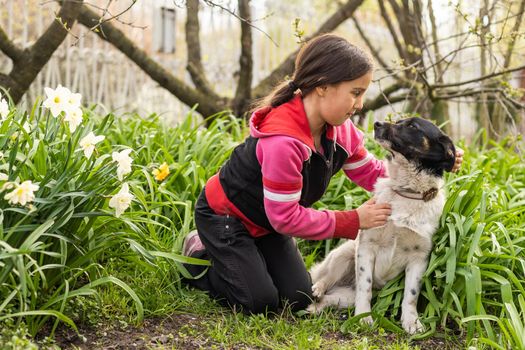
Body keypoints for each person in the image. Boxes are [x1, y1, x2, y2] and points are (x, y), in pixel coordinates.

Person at [182, 33, 464, 315]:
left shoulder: (340, 130)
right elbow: (285, 217)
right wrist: (350, 221)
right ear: (322, 87)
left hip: (268, 223)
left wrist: (431, 161)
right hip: (227, 218)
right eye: (356, 92)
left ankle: (251, 259)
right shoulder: (284, 142)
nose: (361, 103)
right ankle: (197, 255)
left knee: (299, 297)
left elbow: (370, 172)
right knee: (259, 301)